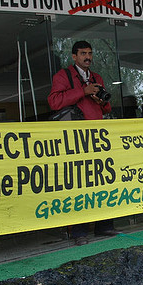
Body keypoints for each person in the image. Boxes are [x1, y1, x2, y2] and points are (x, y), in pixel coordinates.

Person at [47, 40, 118, 245]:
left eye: (90, 53)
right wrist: (83, 92)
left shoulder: (97, 77)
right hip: (75, 139)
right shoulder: (63, 76)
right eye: (83, 53)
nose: (87, 56)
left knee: (104, 179)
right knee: (80, 184)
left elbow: (106, 109)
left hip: (97, 136)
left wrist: (101, 101)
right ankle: (79, 232)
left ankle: (104, 226)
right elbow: (54, 102)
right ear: (74, 56)